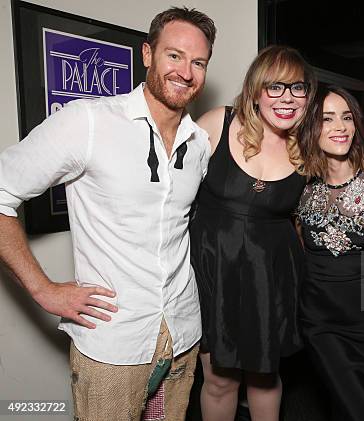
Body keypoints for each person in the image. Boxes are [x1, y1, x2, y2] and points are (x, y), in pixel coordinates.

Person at [0, 7, 216, 421]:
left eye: (198, 62)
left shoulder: (199, 143)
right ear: (148, 54)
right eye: (174, 56)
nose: (185, 72)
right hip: (114, 344)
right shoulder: (89, 122)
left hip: (183, 333)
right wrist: (43, 289)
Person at [190, 47, 364, 421]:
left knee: (265, 379)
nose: (286, 98)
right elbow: (170, 196)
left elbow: (345, 174)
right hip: (213, 272)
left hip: (270, 277)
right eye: (275, 87)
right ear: (255, 89)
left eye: (297, 88)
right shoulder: (217, 123)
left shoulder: (307, 148)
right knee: (218, 380)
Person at [295, 86, 364, 421]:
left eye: (347, 117)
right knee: (356, 408)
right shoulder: (301, 187)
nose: (340, 126)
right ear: (311, 127)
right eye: (326, 119)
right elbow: (300, 250)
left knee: (360, 405)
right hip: (321, 319)